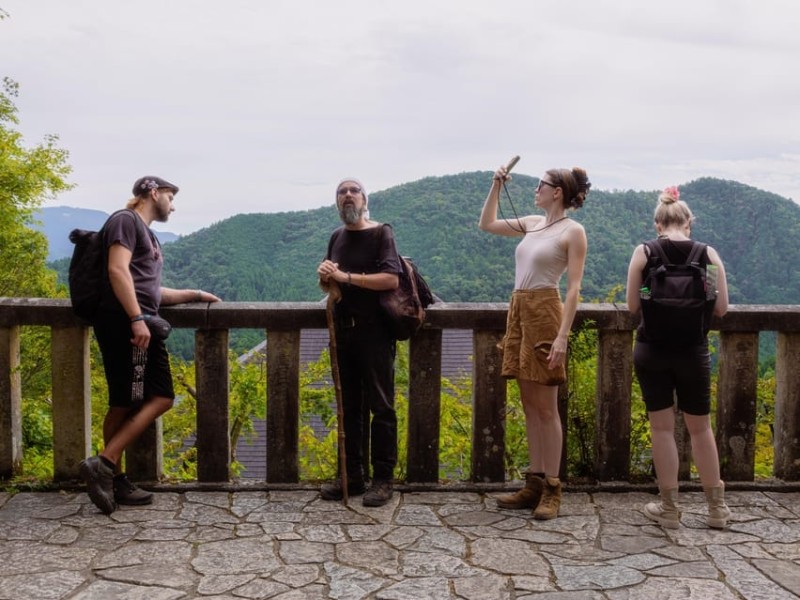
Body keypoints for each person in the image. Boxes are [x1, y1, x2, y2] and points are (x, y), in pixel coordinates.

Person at [79, 176, 221, 515]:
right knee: (161, 397)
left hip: (133, 321)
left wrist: (195, 295)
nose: (173, 204)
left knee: (124, 402)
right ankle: (105, 464)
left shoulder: (146, 232)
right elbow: (117, 271)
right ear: (153, 192)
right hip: (128, 325)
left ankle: (112, 476)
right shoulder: (125, 221)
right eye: (171, 196)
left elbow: (149, 290)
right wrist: (136, 318)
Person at [479, 165, 590, 520]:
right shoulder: (532, 223)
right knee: (529, 404)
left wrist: (562, 336)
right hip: (520, 309)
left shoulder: (573, 232)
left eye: (541, 185)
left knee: (546, 405)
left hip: (545, 310)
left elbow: (573, 288)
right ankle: (534, 482)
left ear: (557, 191)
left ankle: (553, 487)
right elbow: (487, 224)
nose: (535, 190)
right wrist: (496, 186)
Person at [625, 186, 731, 529]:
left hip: (652, 350)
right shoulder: (708, 255)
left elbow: (632, 305)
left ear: (658, 224)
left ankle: (669, 509)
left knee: (662, 428)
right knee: (701, 429)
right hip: (693, 351)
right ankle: (717, 509)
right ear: (688, 223)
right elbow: (721, 307)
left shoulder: (644, 254)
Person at [316, 178, 402, 507]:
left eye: (354, 191)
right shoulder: (337, 237)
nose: (348, 195)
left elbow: (391, 279)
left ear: (365, 201)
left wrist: (345, 277)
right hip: (344, 332)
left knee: (381, 407)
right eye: (341, 192)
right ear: (337, 202)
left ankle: (383, 479)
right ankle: (352, 475)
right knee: (349, 407)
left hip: (376, 332)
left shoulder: (382, 233)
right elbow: (331, 288)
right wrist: (326, 277)